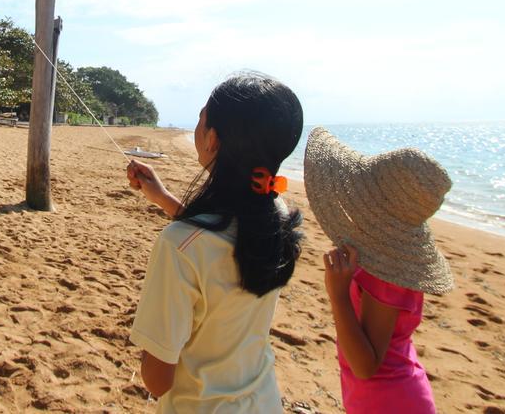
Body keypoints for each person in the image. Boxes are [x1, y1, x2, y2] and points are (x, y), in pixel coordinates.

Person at [125, 72, 305, 412]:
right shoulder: (275, 212)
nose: (196, 127)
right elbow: (223, 240)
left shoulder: (180, 245)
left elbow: (157, 379)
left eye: (200, 119)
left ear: (212, 140)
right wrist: (163, 198)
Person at [303, 127, 455, 414]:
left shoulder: (387, 276)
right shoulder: (384, 262)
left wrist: (338, 295)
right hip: (384, 394)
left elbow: (365, 365)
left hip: (389, 401)